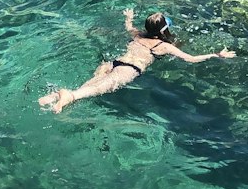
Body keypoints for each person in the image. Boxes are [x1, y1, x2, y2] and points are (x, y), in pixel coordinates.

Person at [39, 9, 235, 113]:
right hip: (129, 69)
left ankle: (58, 97)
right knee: (96, 90)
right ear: (163, 30)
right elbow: (191, 59)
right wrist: (217, 55)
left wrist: (128, 18)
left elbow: (128, 28)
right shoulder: (163, 46)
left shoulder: (138, 35)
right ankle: (68, 96)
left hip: (113, 62)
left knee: (92, 85)